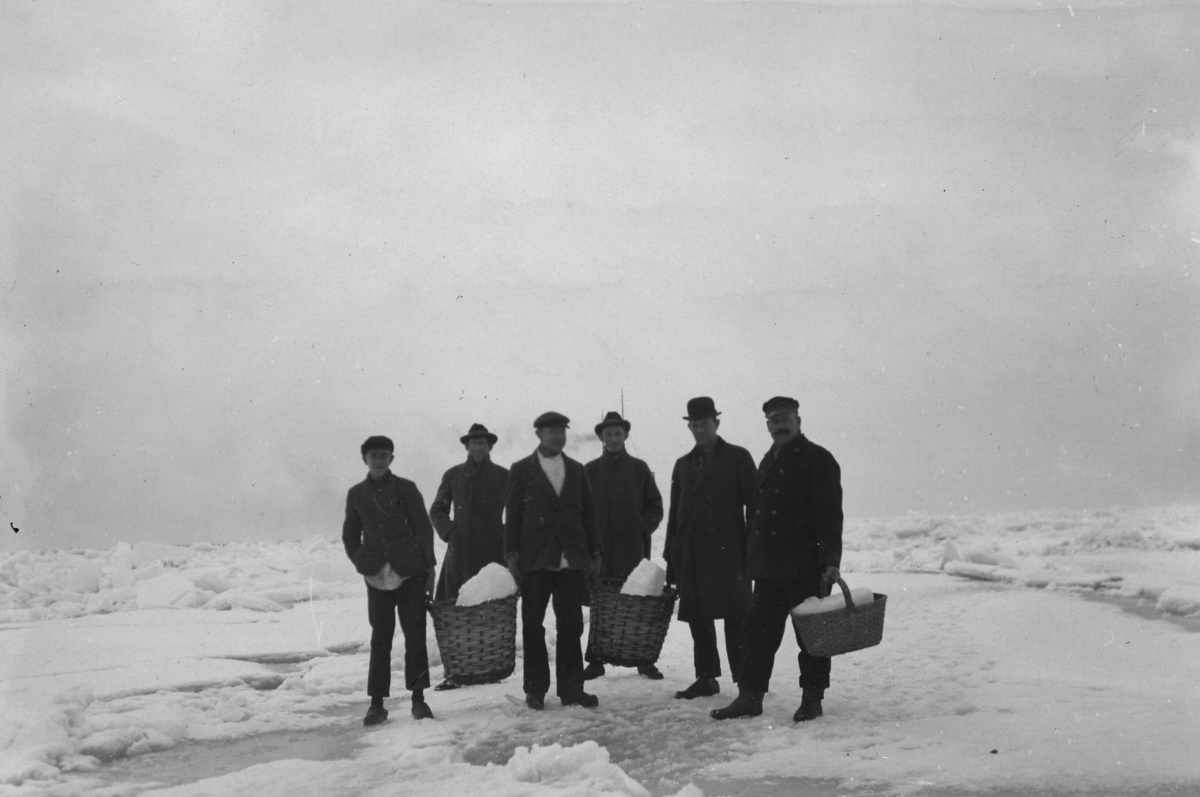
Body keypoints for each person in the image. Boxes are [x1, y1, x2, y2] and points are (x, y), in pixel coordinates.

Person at [710, 396, 843, 722]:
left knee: (811, 637)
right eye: (774, 420)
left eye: (785, 418)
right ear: (768, 425)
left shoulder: (818, 459)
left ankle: (812, 698)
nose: (780, 425)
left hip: (806, 568)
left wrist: (830, 561)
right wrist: (751, 559)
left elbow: (830, 515)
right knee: (758, 635)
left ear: (798, 420)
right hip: (769, 568)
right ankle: (750, 697)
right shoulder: (767, 460)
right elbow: (756, 515)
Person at [504, 411, 603, 710]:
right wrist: (511, 556)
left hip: (570, 560)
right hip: (535, 560)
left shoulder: (576, 470)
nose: (558, 436)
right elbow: (513, 517)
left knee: (571, 625)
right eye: (552, 431)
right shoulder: (521, 470)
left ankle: (572, 689)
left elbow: (589, 513)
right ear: (539, 435)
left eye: (562, 430)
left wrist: (595, 552)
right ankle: (535, 690)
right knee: (533, 625)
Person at [663, 397, 756, 700]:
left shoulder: (738, 457)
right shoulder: (683, 464)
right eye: (694, 425)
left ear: (716, 423)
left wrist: (752, 549)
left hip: (730, 553)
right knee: (699, 618)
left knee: (736, 617)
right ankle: (706, 678)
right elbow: (675, 513)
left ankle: (745, 682)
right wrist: (672, 557)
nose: (699, 430)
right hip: (690, 553)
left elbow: (755, 506)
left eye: (704, 424)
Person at [341, 435, 437, 725]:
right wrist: (362, 560)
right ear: (365, 460)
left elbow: (424, 530)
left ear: (391, 459)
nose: (379, 460)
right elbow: (350, 536)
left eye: (384, 455)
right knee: (380, 639)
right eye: (374, 456)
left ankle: (418, 699)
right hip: (376, 577)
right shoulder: (356, 494)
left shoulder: (407, 488)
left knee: (415, 637)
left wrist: (430, 571)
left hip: (410, 573)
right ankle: (376, 704)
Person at [582, 411, 665, 681]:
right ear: (601, 438)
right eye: (608, 434)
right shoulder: (590, 471)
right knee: (600, 604)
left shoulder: (639, 469)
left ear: (625, 435)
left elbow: (655, 506)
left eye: (618, 433)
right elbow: (580, 510)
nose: (613, 439)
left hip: (633, 552)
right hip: (601, 552)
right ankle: (595, 661)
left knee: (637, 603)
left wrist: (641, 528)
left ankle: (644, 660)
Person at [428, 423, 510, 690]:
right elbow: (437, 510)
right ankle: (456, 673)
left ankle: (491, 668)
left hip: (492, 555)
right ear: (466, 446)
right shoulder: (453, 475)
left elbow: (518, 511)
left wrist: (505, 535)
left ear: (490, 446)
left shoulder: (504, 476)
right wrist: (451, 532)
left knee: (492, 612)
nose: (478, 447)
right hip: (460, 554)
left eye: (482, 443)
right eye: (473, 443)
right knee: (455, 612)